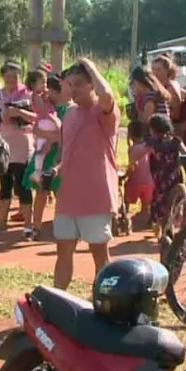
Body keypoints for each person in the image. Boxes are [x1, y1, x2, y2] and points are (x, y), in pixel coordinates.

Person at [52, 58, 120, 290]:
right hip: (68, 195)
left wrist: (91, 66)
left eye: (79, 84)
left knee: (99, 253)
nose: (74, 89)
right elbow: (66, 152)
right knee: (63, 251)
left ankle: (105, 301)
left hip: (95, 197)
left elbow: (108, 96)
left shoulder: (103, 111)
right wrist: (54, 170)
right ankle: (57, 301)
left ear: (92, 84)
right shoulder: (69, 114)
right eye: (70, 84)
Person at [24, 74, 70, 240]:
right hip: (47, 153)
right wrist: (50, 136)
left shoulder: (68, 109)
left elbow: (64, 136)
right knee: (41, 192)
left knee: (61, 193)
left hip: (60, 155)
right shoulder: (46, 105)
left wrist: (49, 137)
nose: (47, 92)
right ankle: (36, 227)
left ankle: (65, 227)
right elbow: (37, 130)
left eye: (49, 89)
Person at [0, 61, 35, 239]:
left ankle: (28, 225)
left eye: (15, 76)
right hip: (3, 143)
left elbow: (37, 117)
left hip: (22, 143)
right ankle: (2, 223)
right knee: (4, 183)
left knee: (22, 184)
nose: (11, 79)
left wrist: (19, 113)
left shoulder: (28, 93)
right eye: (8, 76)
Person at [144, 114, 185, 236]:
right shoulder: (176, 141)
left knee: (161, 204)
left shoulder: (153, 142)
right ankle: (173, 226)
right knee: (175, 202)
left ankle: (164, 230)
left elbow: (140, 153)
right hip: (175, 176)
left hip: (160, 178)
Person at [124, 121, 154, 229]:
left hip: (135, 182)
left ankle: (125, 214)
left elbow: (133, 166)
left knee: (126, 199)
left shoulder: (132, 149)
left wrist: (125, 175)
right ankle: (145, 216)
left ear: (130, 135)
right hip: (149, 182)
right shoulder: (148, 148)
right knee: (146, 203)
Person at [151, 54, 184, 120]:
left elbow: (176, 113)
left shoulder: (171, 86)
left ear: (167, 71)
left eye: (159, 70)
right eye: (153, 69)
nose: (155, 73)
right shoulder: (156, 85)